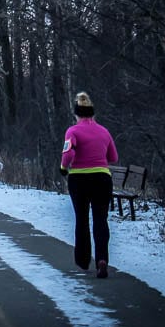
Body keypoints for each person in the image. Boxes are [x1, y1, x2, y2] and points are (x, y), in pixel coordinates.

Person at [59, 92, 119, 278]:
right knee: (101, 219)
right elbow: (113, 158)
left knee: (82, 219)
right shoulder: (104, 131)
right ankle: (102, 259)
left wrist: (63, 167)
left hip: (80, 180)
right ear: (93, 113)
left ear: (77, 114)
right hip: (102, 179)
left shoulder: (73, 131)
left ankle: (83, 260)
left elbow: (68, 154)